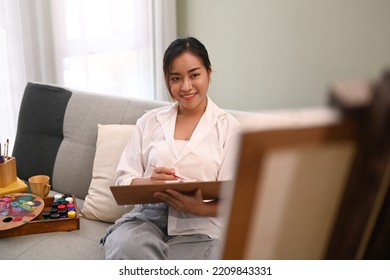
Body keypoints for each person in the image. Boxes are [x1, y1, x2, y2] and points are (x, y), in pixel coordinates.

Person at [101, 37, 241, 259]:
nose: (186, 86)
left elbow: (235, 195)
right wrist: (149, 182)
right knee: (126, 246)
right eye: (176, 78)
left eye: (194, 75)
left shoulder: (228, 127)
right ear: (167, 80)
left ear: (209, 73)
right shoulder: (149, 121)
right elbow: (124, 179)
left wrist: (199, 208)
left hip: (201, 225)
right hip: (147, 218)